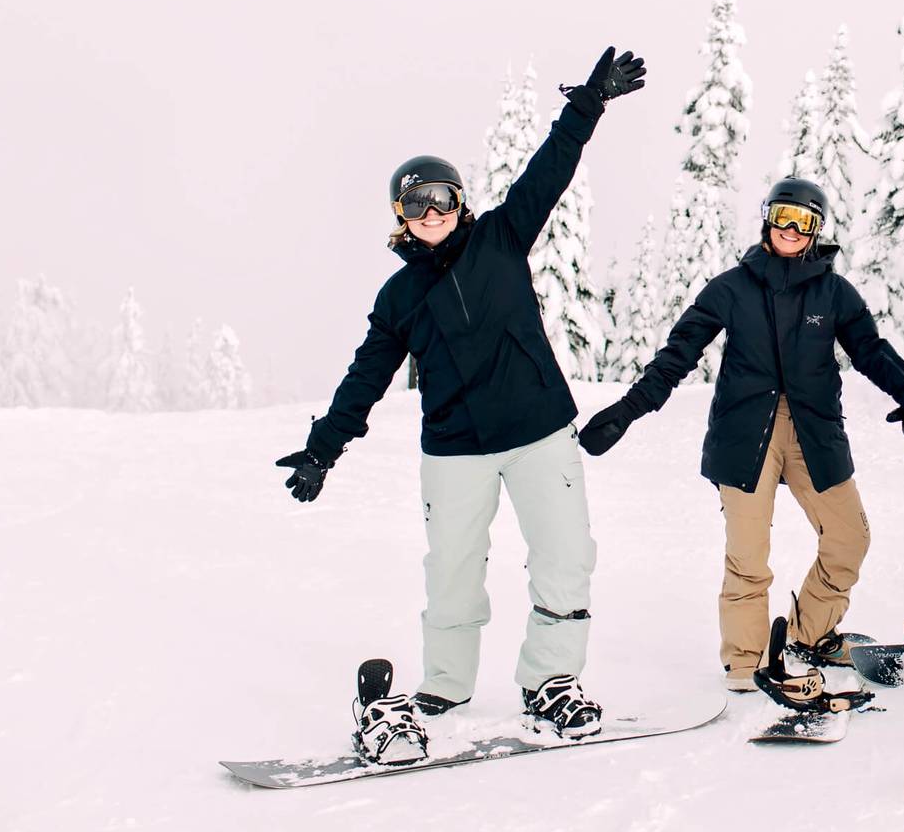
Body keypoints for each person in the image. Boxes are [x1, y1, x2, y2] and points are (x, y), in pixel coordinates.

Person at [273, 46, 647, 740]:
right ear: (401, 216)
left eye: (442, 197)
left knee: (565, 556)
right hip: (456, 449)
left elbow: (551, 168)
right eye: (417, 203)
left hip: (539, 432)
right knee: (450, 568)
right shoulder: (399, 296)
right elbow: (365, 377)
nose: (433, 210)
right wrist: (323, 449)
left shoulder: (502, 237)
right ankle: (443, 686)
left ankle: (551, 679)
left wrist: (588, 102)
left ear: (460, 202)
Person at [578, 177, 904, 691]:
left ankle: (807, 635)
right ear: (767, 218)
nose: (791, 230)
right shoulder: (731, 287)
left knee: (849, 538)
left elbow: (871, 352)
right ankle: (746, 664)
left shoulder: (834, 292)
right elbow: (677, 355)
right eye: (783, 217)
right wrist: (628, 408)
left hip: (816, 434)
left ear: (817, 231)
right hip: (744, 435)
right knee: (748, 559)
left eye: (804, 221)